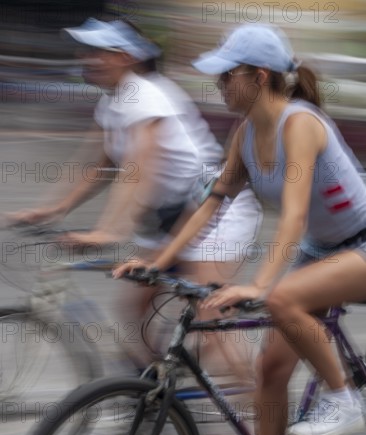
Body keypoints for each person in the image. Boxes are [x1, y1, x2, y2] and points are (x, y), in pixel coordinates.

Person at [113, 22, 366, 435]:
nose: (219, 86)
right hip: (322, 249)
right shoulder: (246, 134)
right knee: (268, 371)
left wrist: (258, 283)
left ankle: (345, 399)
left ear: (259, 75)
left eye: (227, 76)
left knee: (282, 299)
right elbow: (211, 205)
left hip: (360, 242)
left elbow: (293, 216)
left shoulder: (300, 124)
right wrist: (158, 263)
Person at [9, 19, 262, 378]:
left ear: (124, 57)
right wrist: (51, 210)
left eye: (98, 51)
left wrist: (110, 231)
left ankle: (264, 415)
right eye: (85, 50)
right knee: (134, 314)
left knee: (210, 322)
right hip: (172, 219)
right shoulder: (111, 101)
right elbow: (96, 167)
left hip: (215, 214)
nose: (87, 57)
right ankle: (156, 396)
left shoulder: (146, 95)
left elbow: (140, 169)